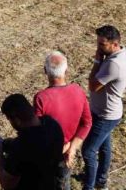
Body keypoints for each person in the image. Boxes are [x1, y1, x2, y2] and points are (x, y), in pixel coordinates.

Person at [81, 25, 126, 190]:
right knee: (104, 147)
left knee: (88, 151)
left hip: (104, 115)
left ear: (115, 44)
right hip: (107, 112)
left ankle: (89, 186)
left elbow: (93, 85)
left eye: (102, 45)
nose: (99, 48)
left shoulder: (113, 65)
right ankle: (101, 180)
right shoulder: (123, 52)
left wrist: (97, 61)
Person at [34, 51, 92, 190]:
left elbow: (37, 132)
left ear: (45, 71)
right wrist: (71, 148)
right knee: (63, 182)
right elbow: (87, 123)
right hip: (66, 155)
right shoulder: (78, 91)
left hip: (48, 155)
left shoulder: (41, 98)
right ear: (66, 70)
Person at [0, 93, 64, 190]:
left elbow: (6, 184)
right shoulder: (52, 125)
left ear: (17, 120)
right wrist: (13, 143)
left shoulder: (21, 147)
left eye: (9, 119)